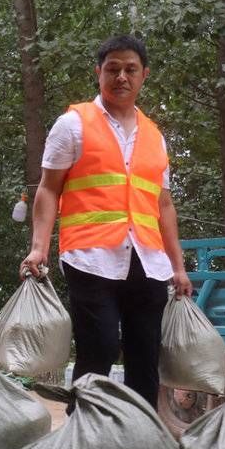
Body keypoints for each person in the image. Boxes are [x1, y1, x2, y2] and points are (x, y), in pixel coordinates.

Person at [22, 34, 193, 409]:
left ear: (143, 75)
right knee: (98, 346)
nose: (121, 77)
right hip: (90, 256)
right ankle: (85, 433)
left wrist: (178, 267)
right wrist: (39, 247)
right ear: (98, 73)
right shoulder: (73, 124)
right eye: (112, 69)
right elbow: (48, 189)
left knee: (145, 357)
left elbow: (164, 206)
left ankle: (138, 442)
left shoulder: (155, 136)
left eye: (130, 69)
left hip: (148, 262)